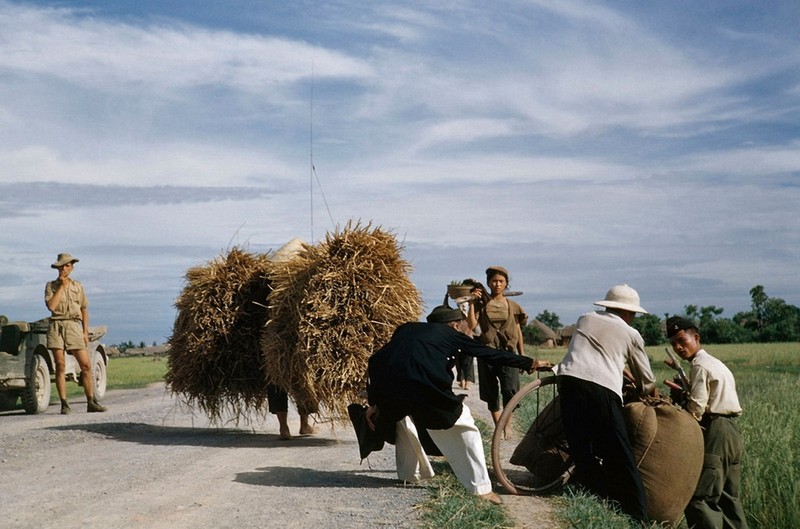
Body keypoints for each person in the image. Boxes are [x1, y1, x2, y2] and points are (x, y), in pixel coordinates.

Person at [365, 303, 550, 504]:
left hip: (390, 389)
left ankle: (408, 475)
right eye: (463, 325)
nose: (465, 329)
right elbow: (489, 353)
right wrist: (529, 362)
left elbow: (376, 361)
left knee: (404, 422)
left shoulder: (406, 329)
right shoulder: (451, 334)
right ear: (454, 325)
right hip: (423, 384)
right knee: (465, 425)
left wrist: (375, 402)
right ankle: (481, 489)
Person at [556, 284, 655, 521]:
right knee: (619, 451)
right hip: (602, 389)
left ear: (608, 306)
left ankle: (598, 495)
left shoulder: (585, 319)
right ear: (629, 312)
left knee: (580, 446)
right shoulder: (631, 334)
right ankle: (638, 516)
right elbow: (647, 378)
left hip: (568, 380)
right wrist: (645, 390)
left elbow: (594, 351)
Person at [665, 316, 748, 529]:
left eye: (682, 340)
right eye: (674, 344)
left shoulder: (700, 366)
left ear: (696, 338)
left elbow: (696, 410)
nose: (678, 347)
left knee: (701, 498)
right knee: (729, 499)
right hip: (732, 433)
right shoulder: (715, 363)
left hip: (717, 432)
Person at [466, 266, 527, 434]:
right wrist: (471, 304)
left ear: (506, 283)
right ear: (488, 283)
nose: (497, 284)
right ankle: (499, 426)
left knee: (510, 390)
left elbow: (517, 331)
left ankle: (506, 424)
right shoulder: (480, 304)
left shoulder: (512, 305)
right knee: (491, 392)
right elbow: (471, 325)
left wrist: (522, 357)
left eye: (501, 281)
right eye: (494, 281)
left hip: (507, 353)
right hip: (487, 352)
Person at [44, 253, 107, 414]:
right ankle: (64, 404)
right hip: (56, 325)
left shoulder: (78, 286)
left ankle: (91, 401)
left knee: (86, 364)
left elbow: (84, 309)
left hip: (74, 325)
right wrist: (62, 287)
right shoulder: (50, 286)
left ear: (71, 267)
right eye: (61, 266)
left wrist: (85, 331)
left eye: (67, 265)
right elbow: (51, 306)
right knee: (60, 365)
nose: (63, 269)